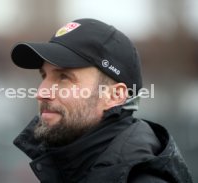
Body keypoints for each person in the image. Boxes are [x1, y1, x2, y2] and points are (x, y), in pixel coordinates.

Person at [11, 18, 193, 183]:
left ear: (114, 96)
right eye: (44, 76)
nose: (41, 92)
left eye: (64, 77)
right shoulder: (71, 169)